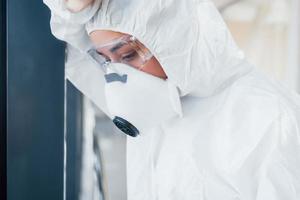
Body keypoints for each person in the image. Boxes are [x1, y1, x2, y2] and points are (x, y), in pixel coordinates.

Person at [43, 0, 300, 199]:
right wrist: (73, 10)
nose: (118, 75)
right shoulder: (157, 110)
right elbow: (73, 49)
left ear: (172, 36)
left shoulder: (271, 120)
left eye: (128, 54)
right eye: (107, 60)